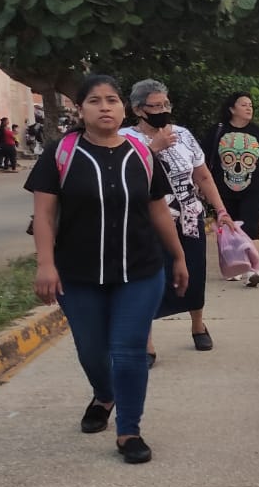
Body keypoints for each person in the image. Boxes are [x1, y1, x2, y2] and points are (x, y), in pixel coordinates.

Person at [26, 74, 188, 464]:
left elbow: (157, 209)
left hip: (141, 270)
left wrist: (179, 256)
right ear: (80, 110)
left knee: (129, 351)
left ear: (123, 108)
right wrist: (45, 264)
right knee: (93, 351)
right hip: (78, 273)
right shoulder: (61, 152)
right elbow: (45, 215)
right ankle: (105, 394)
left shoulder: (142, 153)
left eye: (112, 100)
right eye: (95, 101)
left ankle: (129, 430)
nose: (104, 107)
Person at [124, 79, 234, 363]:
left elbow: (202, 175)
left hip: (188, 216)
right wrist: (153, 148)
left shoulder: (184, 134)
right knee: (149, 278)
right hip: (146, 222)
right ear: (138, 109)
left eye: (165, 104)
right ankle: (146, 342)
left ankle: (198, 324)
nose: (162, 110)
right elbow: (125, 176)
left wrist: (221, 211)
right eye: (155, 106)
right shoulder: (125, 139)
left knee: (194, 273)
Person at [207, 92, 259, 287]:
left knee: (251, 228)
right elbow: (202, 162)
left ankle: (253, 269)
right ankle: (232, 268)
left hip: (254, 189)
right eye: (243, 104)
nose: (249, 108)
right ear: (232, 109)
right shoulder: (217, 132)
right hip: (222, 190)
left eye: (250, 105)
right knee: (227, 229)